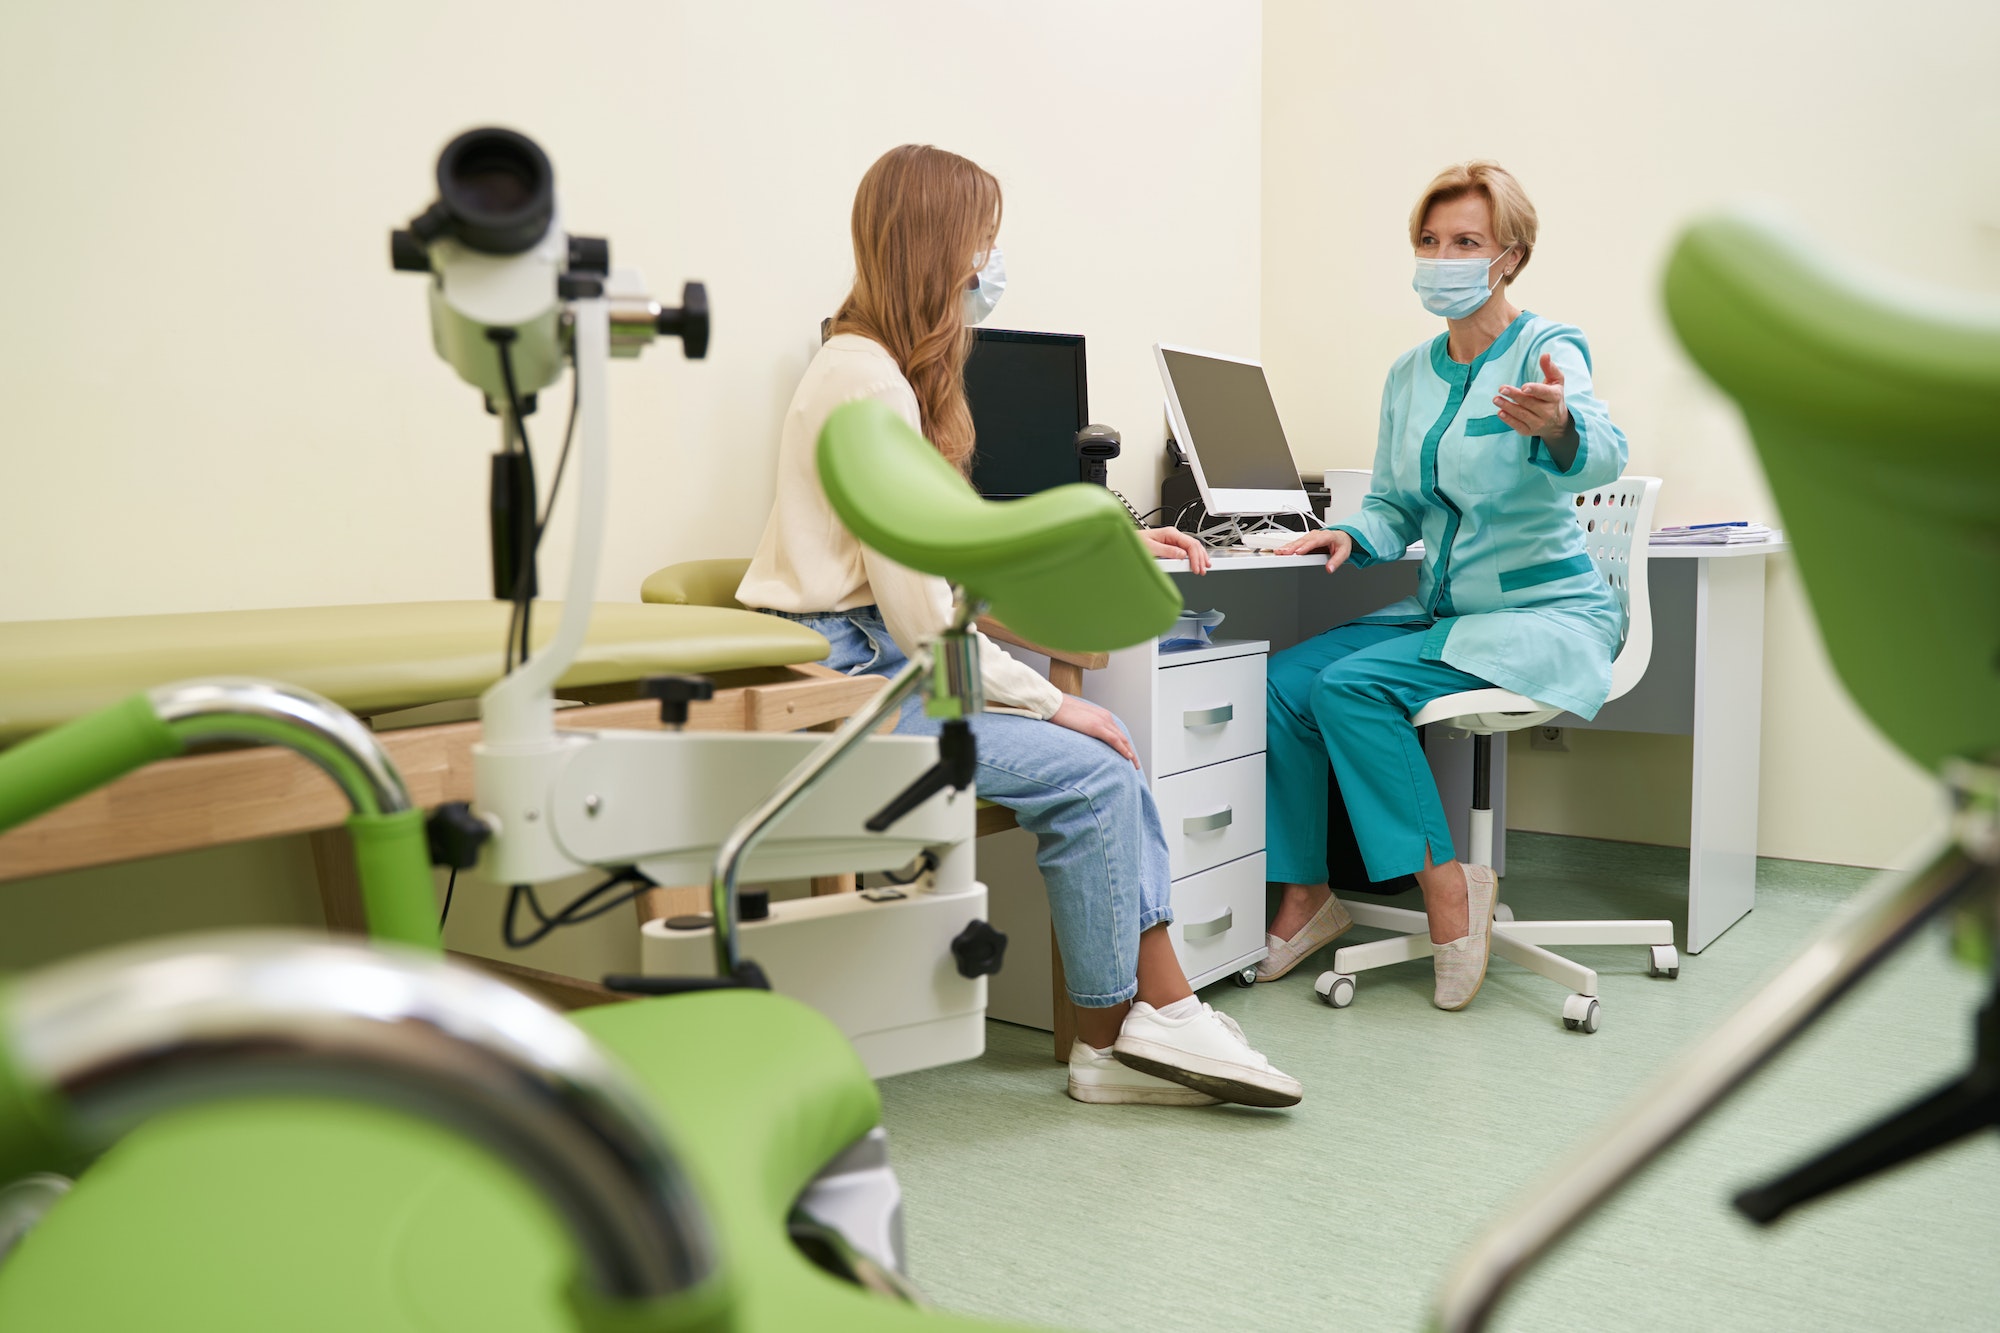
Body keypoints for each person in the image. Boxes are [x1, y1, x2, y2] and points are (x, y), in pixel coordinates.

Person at [738, 143, 1300, 1108]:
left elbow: (932, 578)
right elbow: (921, 621)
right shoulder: (865, 384)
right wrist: (1052, 703)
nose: (991, 269)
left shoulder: (871, 369)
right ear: (938, 248)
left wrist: (1096, 558)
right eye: (985, 246)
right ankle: (1130, 1028)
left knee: (1104, 758)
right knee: (1094, 763)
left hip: (875, 656)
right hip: (846, 678)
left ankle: (1131, 1025)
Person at [1257, 161, 1629, 1011]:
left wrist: (1562, 422)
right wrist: (1352, 532)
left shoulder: (1547, 347)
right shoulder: (1408, 374)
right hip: (1447, 612)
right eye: (1430, 241)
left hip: (1544, 615)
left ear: (1510, 256)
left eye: (1465, 241)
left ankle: (1448, 890)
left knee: (1352, 688)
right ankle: (1307, 893)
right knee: (1283, 682)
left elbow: (1604, 450)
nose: (1442, 256)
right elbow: (1395, 503)